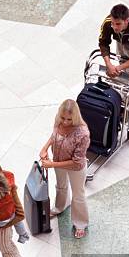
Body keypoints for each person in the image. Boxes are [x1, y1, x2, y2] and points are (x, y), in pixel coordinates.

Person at [39, 100, 90, 239]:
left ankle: (81, 223)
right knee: (61, 186)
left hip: (75, 168)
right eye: (63, 118)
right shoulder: (58, 120)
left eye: (69, 119)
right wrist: (45, 148)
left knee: (78, 195)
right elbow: (54, 136)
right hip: (57, 161)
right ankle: (60, 207)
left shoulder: (83, 134)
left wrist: (52, 164)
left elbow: (76, 162)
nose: (65, 122)